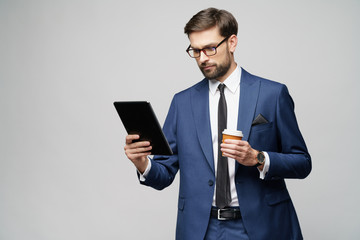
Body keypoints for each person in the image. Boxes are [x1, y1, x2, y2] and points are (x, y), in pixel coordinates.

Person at [124, 7, 311, 240]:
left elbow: (303, 163)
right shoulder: (182, 103)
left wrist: (259, 158)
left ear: (232, 42)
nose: (202, 58)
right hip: (201, 229)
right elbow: (163, 174)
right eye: (195, 51)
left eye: (210, 48)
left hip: (262, 226)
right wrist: (142, 163)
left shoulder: (272, 94)